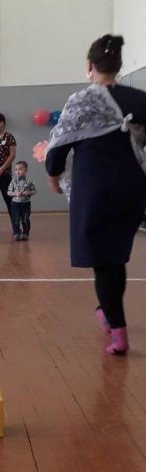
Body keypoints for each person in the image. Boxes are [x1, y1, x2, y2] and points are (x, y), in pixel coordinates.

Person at [45, 33, 146, 355]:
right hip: (133, 188)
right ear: (119, 65)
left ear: (90, 65)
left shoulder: (81, 101)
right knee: (116, 256)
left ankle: (119, 333)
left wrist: (53, 176)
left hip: (95, 190)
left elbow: (57, 149)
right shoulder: (139, 100)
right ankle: (108, 313)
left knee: (103, 262)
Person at [0, 113, 17, 232]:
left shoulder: (9, 136)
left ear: (4, 124)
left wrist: (1, 169)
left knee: (9, 199)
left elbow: (12, 155)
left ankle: (16, 226)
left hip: (5, 174)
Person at [7, 160, 36, 241]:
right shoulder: (13, 181)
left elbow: (34, 191)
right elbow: (9, 192)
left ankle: (26, 233)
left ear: (26, 170)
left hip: (25, 203)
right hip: (15, 203)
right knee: (15, 219)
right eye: (16, 169)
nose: (18, 171)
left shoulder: (29, 182)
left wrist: (28, 193)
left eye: (20, 169)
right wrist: (15, 193)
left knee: (25, 219)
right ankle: (16, 233)